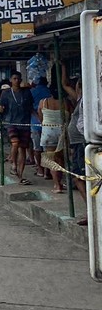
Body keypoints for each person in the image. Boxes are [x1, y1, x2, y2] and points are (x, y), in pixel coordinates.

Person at [61, 67, 89, 224]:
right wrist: (63, 67)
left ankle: (90, 209)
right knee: (78, 177)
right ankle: (89, 208)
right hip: (76, 144)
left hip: (81, 143)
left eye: (77, 84)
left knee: (80, 177)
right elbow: (64, 84)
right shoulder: (80, 99)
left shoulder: (87, 101)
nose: (75, 87)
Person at [0, 72, 34, 185]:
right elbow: (1, 106)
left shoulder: (26, 92)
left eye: (18, 79)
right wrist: (0, 109)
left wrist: (39, 119)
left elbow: (30, 107)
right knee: (15, 143)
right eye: (14, 79)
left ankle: (20, 175)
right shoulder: (6, 93)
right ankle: (13, 164)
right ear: (11, 80)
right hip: (11, 122)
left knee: (23, 149)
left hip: (24, 123)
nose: (16, 81)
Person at [37, 82, 64, 193]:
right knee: (60, 158)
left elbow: (40, 116)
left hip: (48, 131)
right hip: (61, 132)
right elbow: (69, 116)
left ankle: (56, 185)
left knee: (51, 159)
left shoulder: (43, 102)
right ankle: (61, 182)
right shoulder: (65, 103)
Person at [29, 77, 51, 177]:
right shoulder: (49, 91)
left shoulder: (32, 92)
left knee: (37, 148)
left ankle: (40, 169)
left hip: (35, 123)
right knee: (47, 149)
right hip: (48, 124)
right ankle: (47, 170)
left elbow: (29, 108)